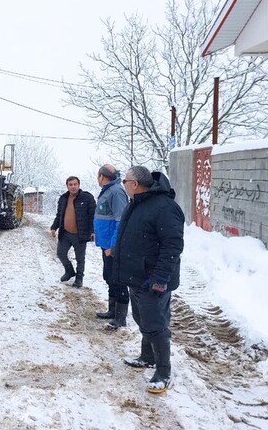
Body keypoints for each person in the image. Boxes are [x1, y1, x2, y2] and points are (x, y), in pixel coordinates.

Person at [112, 166, 184, 394]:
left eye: (125, 181)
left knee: (155, 324)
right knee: (142, 317)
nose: (123, 184)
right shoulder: (138, 203)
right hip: (137, 276)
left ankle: (163, 372)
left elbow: (173, 246)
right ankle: (147, 356)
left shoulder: (164, 207)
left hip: (153, 279)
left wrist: (160, 278)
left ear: (134, 184)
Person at [93, 164, 130, 329]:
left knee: (118, 280)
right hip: (105, 243)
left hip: (112, 246)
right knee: (109, 277)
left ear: (102, 176)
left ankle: (120, 318)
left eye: (98, 175)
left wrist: (113, 246)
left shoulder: (116, 191)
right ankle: (112, 311)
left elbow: (120, 221)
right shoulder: (109, 190)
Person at [50, 176, 96, 288]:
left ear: (79, 185)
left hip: (80, 234)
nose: (73, 187)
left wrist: (93, 231)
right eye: (70, 185)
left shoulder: (87, 198)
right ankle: (69, 271)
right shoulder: (63, 198)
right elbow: (59, 215)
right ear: (67, 186)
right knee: (60, 253)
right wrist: (54, 227)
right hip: (65, 233)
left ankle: (79, 278)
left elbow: (93, 216)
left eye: (75, 184)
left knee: (80, 258)